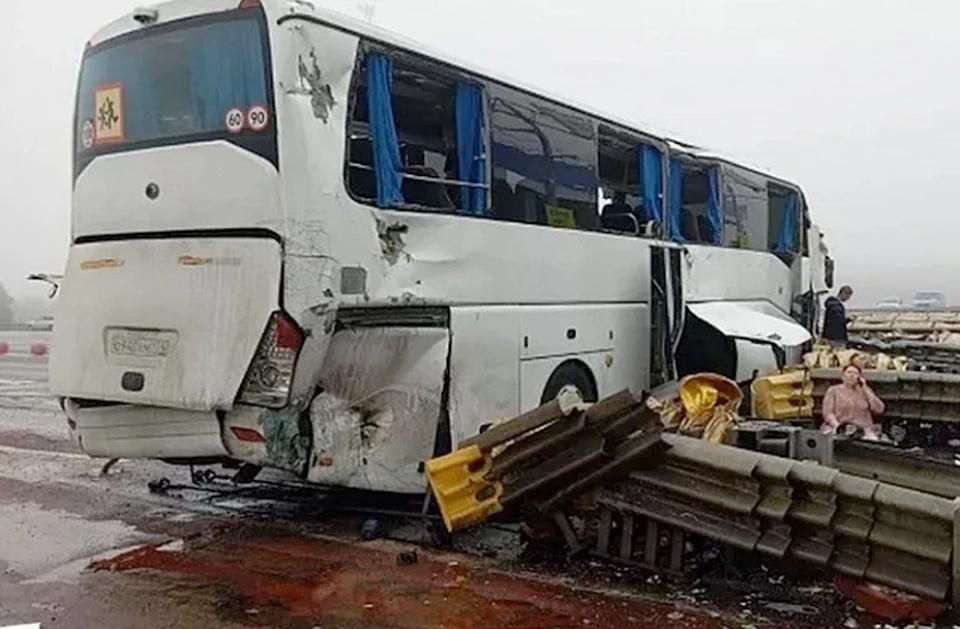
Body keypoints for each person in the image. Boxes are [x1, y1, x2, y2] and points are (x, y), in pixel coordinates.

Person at [821, 363, 885, 440]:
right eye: (849, 372)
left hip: (863, 431)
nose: (852, 375)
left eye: (855, 373)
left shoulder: (865, 391)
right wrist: (838, 426)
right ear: (843, 376)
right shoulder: (833, 390)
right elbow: (828, 413)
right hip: (840, 428)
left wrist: (865, 389)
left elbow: (879, 409)